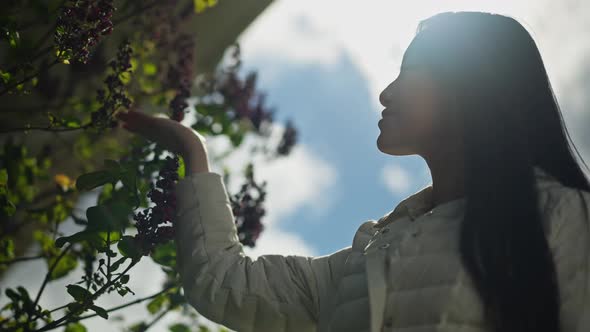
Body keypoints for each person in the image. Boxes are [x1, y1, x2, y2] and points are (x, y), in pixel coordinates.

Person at [117, 10, 590, 332]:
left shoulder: (569, 219)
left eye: (409, 74)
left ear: (471, 87)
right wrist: (191, 149)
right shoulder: (365, 259)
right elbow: (224, 285)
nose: (386, 93)